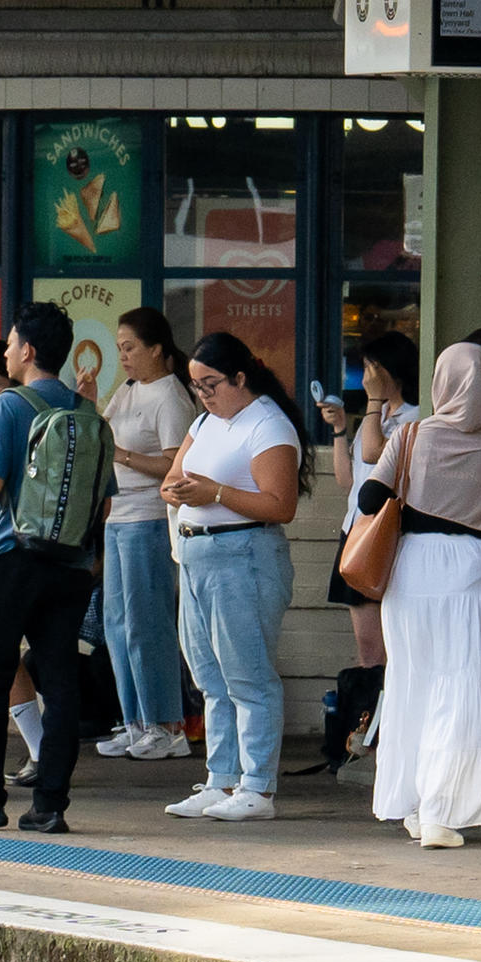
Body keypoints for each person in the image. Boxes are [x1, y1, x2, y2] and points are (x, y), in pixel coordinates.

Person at [0, 301, 107, 835]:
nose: (6, 350)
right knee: (59, 684)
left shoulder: (10, 405)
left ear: (28, 351)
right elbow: (102, 502)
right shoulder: (87, 413)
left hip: (13, 559)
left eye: (10, 343)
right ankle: (49, 804)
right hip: (72, 566)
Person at [362, 338, 481, 851]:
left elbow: (369, 496)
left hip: (410, 573)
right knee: (460, 689)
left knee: (414, 683)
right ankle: (441, 810)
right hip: (473, 573)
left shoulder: (411, 435)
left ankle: (413, 804)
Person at [162, 330, 303, 822]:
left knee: (248, 674)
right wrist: (181, 493)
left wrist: (215, 493)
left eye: (211, 384)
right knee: (210, 676)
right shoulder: (205, 421)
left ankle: (257, 786)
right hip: (198, 552)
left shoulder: (267, 425)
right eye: (196, 386)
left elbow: (280, 504)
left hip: (244, 552)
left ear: (241, 377)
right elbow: (171, 480)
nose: (203, 395)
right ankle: (221, 779)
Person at [306, 334, 420, 783]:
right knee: (367, 648)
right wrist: (339, 430)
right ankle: (366, 739)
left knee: (382, 649)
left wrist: (371, 405)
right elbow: (347, 479)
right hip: (355, 532)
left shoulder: (410, 418)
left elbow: (376, 454)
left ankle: (382, 745)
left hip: (382, 537)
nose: (366, 377)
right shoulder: (378, 416)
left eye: (373, 368)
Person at [95, 309, 198, 762]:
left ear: (157, 348)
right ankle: (135, 720)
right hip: (117, 516)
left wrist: (125, 456)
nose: (124, 357)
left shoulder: (170, 396)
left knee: (146, 622)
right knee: (116, 623)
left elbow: (178, 466)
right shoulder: (128, 390)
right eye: (119, 349)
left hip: (149, 517)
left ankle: (166, 724)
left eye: (130, 347)